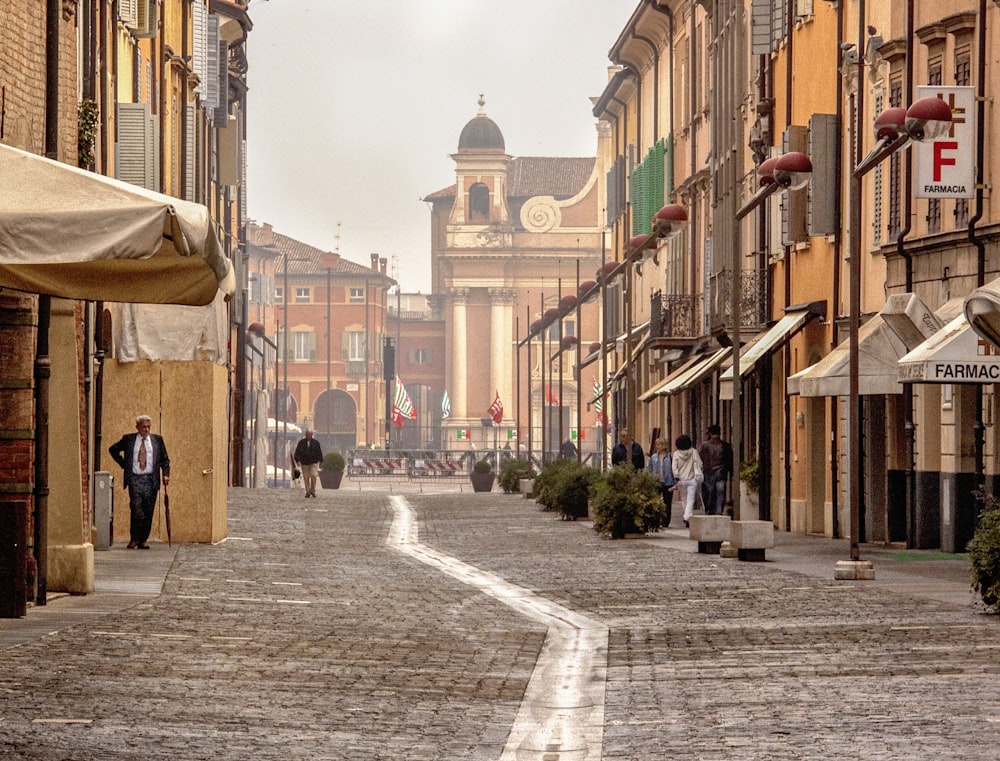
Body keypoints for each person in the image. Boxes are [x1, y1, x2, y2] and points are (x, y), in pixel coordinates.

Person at [108, 414, 170, 549]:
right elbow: (113, 450)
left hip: (151, 480)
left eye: (148, 427)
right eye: (143, 427)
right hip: (135, 478)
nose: (146, 430)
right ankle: (134, 537)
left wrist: (166, 474)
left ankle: (142, 540)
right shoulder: (129, 439)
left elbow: (165, 460)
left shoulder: (157, 441)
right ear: (137, 427)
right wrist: (124, 464)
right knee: (136, 508)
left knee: (148, 510)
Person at [698, 424, 733, 516]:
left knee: (709, 493)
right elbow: (729, 460)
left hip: (708, 472)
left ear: (710, 433)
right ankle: (718, 511)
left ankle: (710, 510)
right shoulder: (725, 446)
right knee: (720, 493)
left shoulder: (704, 446)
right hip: (721, 472)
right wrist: (730, 472)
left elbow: (700, 459)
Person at [671, 434, 703, 528]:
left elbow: (674, 467)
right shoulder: (694, 452)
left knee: (684, 499)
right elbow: (700, 463)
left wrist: (677, 477)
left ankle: (687, 516)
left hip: (681, 480)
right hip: (692, 479)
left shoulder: (676, 454)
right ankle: (687, 516)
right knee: (691, 499)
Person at [647, 436, 676, 528]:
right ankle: (655, 521)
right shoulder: (653, 457)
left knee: (667, 503)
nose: (657, 447)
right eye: (656, 445)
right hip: (656, 482)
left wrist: (675, 483)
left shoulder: (670, 457)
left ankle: (665, 522)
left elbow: (674, 470)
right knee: (655, 502)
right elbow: (650, 470)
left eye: (659, 444)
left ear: (663, 445)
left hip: (668, 482)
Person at [293, 428, 324, 498]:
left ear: (312, 435)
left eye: (310, 434)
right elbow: (297, 452)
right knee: (306, 477)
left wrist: (321, 461)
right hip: (304, 462)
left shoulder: (316, 443)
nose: (309, 436)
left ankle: (313, 490)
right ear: (306, 435)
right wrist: (297, 460)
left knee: (313, 475)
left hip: (314, 462)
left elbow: (319, 452)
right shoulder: (301, 443)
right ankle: (307, 491)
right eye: (307, 434)